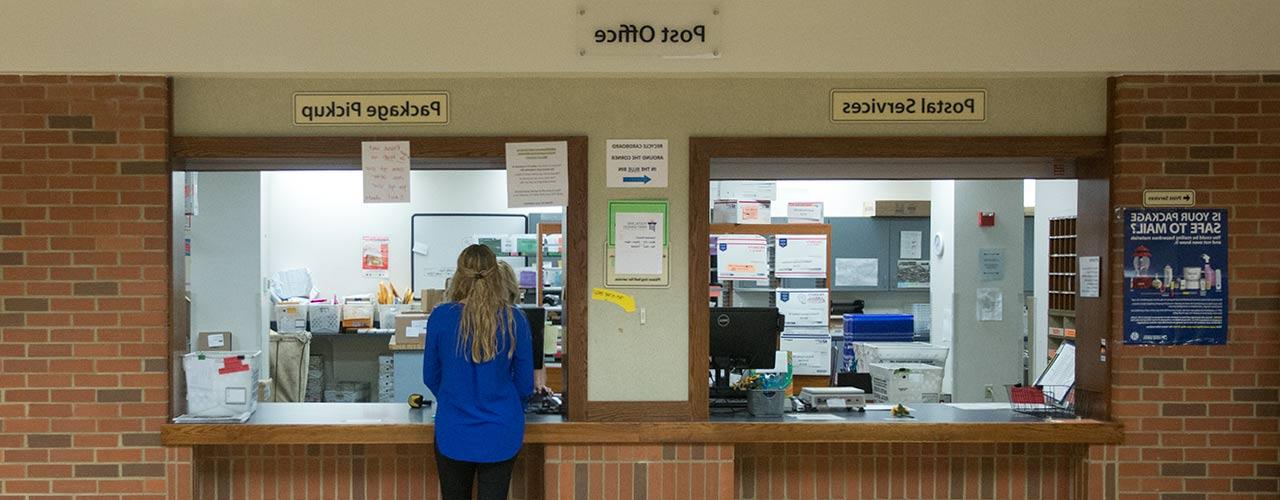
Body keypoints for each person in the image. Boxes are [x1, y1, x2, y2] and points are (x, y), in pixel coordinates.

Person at [423, 244, 534, 500]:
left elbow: (430, 375)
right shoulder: (514, 319)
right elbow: (525, 383)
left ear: (459, 275)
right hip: (501, 429)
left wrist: (453, 397)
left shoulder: (440, 317)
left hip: (454, 428)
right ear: (496, 273)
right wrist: (505, 403)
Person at [495, 261, 551, 395]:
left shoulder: (518, 318)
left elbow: (537, 366)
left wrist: (539, 385)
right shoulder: (519, 318)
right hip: (510, 401)